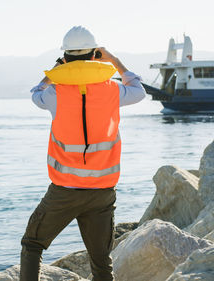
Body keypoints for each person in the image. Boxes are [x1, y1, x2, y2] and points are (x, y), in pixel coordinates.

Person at [20, 26, 146, 281]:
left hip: (64, 191)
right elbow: (139, 90)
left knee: (32, 245)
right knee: (101, 262)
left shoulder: (55, 93)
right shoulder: (113, 90)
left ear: (65, 59)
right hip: (102, 190)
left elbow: (35, 93)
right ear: (95, 56)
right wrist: (115, 61)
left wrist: (54, 73)